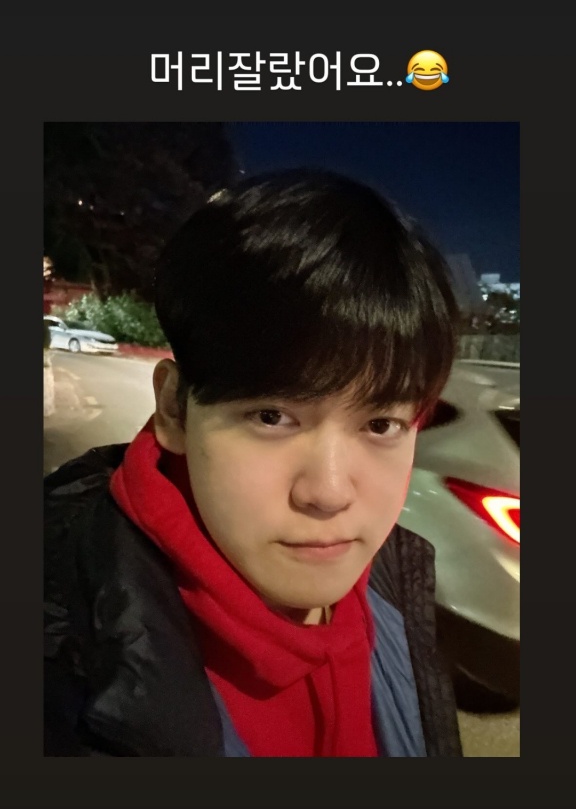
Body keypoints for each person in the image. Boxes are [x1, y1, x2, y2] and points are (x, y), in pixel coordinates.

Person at [44, 170, 463, 758]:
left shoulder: (395, 583)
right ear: (174, 408)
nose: (328, 493)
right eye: (272, 416)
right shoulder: (61, 659)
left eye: (380, 425)